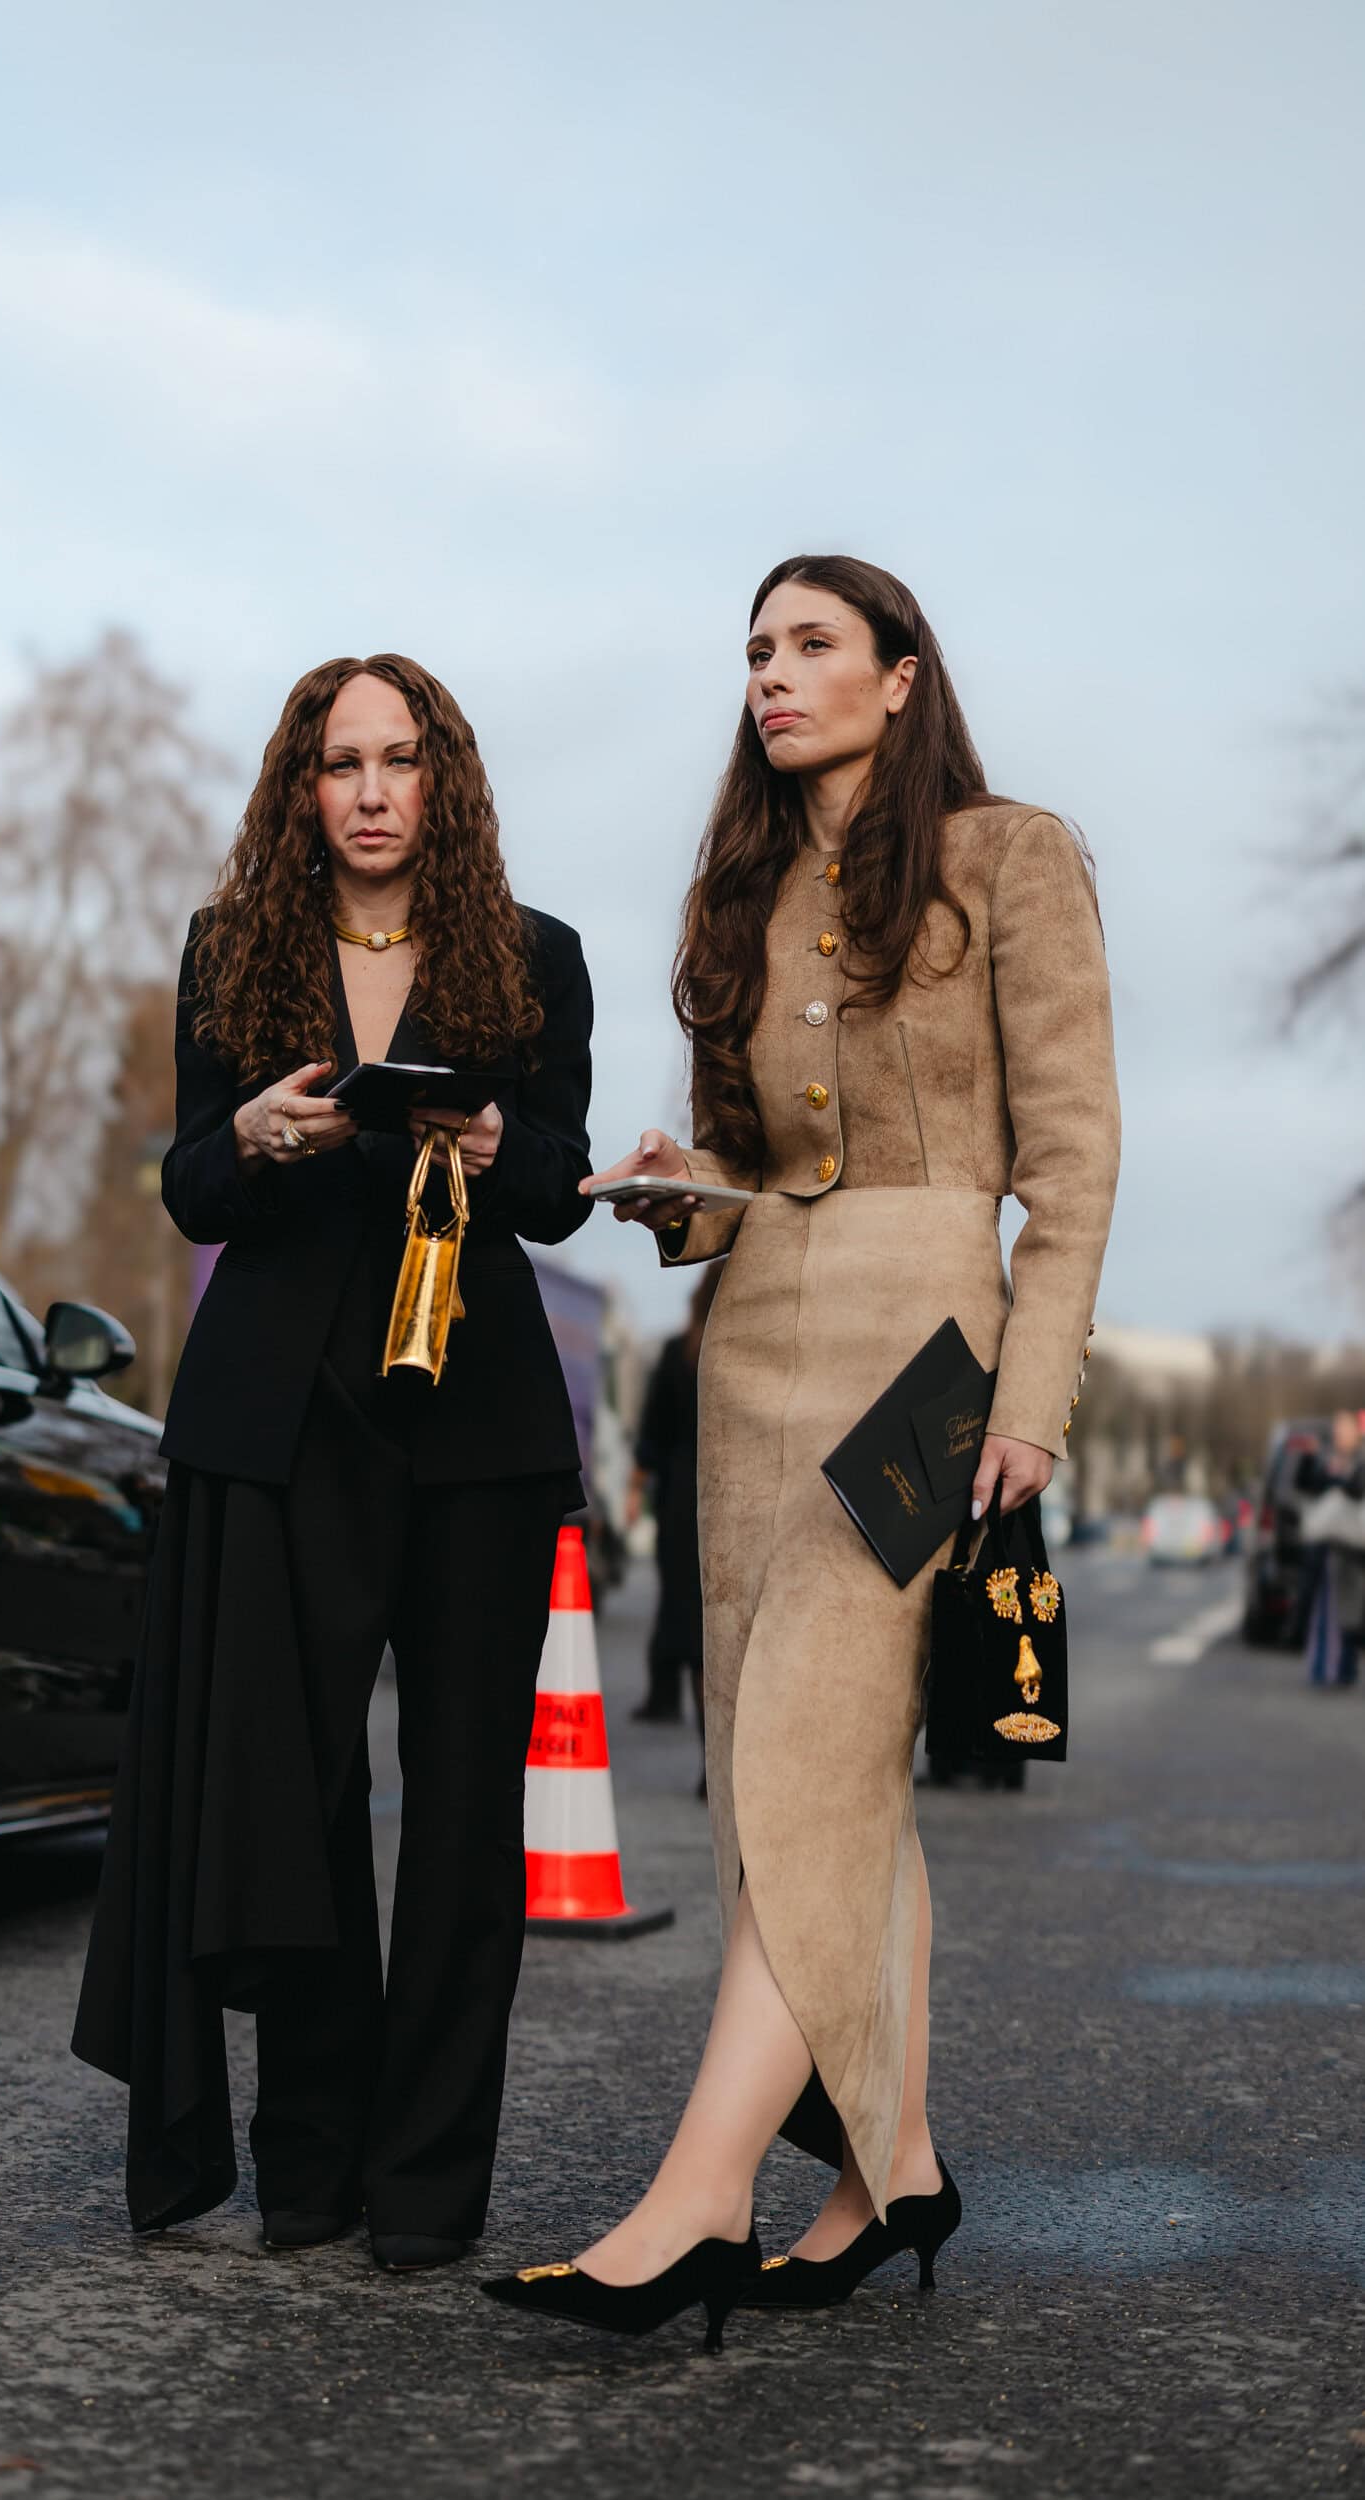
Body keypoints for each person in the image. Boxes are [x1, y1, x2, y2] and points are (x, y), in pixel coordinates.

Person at [483, 554, 1118, 2350]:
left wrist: (1028, 1400)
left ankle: (694, 2201)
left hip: (930, 1359)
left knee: (811, 1763)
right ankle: (891, 2163)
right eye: (755, 648)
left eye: (812, 644)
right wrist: (676, 1196)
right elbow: (761, 1184)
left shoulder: (1013, 857)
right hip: (751, 1353)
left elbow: (1067, 1167)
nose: (771, 674)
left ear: (901, 677)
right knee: (803, 1771)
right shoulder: (747, 891)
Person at [73, 654, 593, 2275]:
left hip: (474, 1432)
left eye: (398, 759)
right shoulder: (231, 951)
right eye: (338, 762)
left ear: (444, 780)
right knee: (288, 1814)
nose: (369, 791)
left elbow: (563, 1187)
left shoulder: (535, 958)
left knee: (457, 1822)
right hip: (280, 1427)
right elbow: (188, 1186)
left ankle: (425, 2188)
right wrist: (258, 1139)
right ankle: (310, 2168)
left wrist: (505, 1152)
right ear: (301, 786)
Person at [628, 1270, 721, 1780]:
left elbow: (652, 1436)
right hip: (735, 1488)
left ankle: (711, 1764)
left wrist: (638, 1492)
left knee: (693, 1631)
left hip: (682, 1504)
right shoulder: (749, 1350)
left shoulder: (677, 1353)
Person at [1295, 1409, 1365, 1688]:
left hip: (1352, 1548)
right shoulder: (1326, 1458)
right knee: (1322, 1607)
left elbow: (1356, 1489)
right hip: (1326, 1544)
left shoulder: (1359, 1460)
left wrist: (1337, 1481)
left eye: (1344, 1428)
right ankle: (1323, 1666)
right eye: (1336, 1429)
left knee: (1349, 1609)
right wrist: (1310, 1458)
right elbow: (1305, 1484)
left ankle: (1343, 1667)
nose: (1339, 1434)